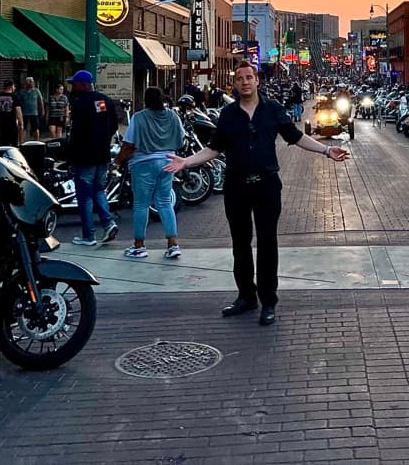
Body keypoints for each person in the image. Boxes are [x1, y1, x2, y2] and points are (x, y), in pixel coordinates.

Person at [165, 61, 349, 326]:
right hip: (236, 187)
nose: (245, 82)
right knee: (240, 244)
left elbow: (295, 136)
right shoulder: (228, 114)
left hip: (266, 185)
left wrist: (326, 150)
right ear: (235, 83)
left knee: (267, 243)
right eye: (240, 78)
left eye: (249, 77)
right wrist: (186, 162)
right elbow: (214, 148)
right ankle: (246, 297)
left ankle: (268, 301)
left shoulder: (272, 109)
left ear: (257, 80)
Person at [116, 86, 182, 259]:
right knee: (165, 203)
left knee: (141, 204)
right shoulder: (173, 116)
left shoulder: (139, 117)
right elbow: (181, 139)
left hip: (143, 163)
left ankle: (139, 245)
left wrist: (117, 161)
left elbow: (129, 144)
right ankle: (172, 243)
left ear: (145, 101)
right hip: (168, 161)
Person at [65, 70, 119, 246]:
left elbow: (76, 133)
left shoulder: (80, 103)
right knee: (99, 190)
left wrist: (71, 158)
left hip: (84, 156)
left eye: (74, 84)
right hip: (103, 154)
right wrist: (104, 139)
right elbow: (114, 125)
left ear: (83, 84)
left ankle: (89, 235)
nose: (72, 87)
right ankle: (108, 223)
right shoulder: (105, 100)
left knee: (84, 196)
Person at [0, 79, 22, 149]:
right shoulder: (14, 96)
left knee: (3, 144)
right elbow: (18, 111)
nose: (14, 88)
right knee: (14, 145)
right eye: (14, 86)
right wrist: (21, 122)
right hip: (12, 124)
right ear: (11, 87)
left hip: (1, 124)